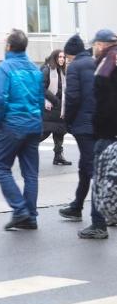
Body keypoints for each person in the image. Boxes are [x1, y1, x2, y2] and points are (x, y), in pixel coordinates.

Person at [0, 29, 43, 231]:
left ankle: (20, 210)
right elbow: (40, 99)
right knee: (31, 173)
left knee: (1, 167)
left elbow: (0, 98)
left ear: (9, 47)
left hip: (11, 124)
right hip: (33, 123)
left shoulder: (4, 68)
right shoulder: (35, 69)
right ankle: (30, 215)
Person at [58, 34, 106, 235]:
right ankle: (77, 205)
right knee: (86, 166)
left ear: (70, 54)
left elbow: (72, 97)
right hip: (100, 123)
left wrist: (67, 121)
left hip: (84, 126)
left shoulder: (75, 67)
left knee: (92, 169)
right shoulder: (98, 62)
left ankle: (100, 222)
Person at [79, 28, 117, 239]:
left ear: (101, 44)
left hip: (108, 132)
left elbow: (104, 101)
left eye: (95, 44)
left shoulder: (106, 63)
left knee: (100, 177)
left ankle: (98, 223)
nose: (94, 48)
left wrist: (99, 126)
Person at [40, 49, 72, 166]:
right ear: (54, 58)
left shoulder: (62, 71)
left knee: (59, 133)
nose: (62, 59)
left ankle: (58, 156)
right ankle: (25, 147)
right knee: (44, 132)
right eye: (59, 57)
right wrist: (54, 100)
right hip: (49, 107)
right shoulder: (47, 70)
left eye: (63, 57)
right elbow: (41, 88)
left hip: (59, 108)